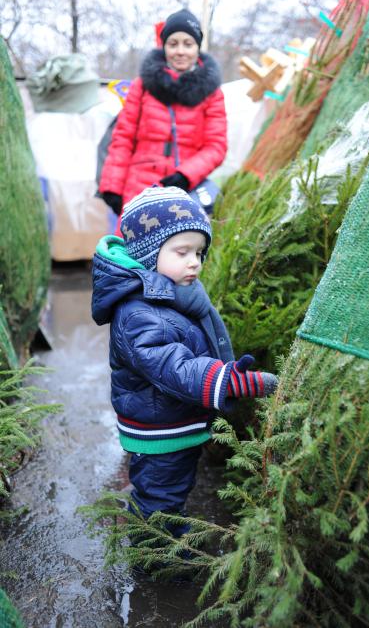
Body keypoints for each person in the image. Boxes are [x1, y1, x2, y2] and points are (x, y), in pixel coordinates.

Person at [91, 185, 278, 529]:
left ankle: (166, 532)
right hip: (158, 428)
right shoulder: (137, 311)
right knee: (159, 496)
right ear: (149, 255)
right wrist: (228, 379)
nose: (194, 261)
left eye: (199, 252)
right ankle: (159, 555)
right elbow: (172, 365)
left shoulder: (173, 294)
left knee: (172, 489)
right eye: (182, 251)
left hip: (174, 419)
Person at [98, 8, 227, 228]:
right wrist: (112, 187)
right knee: (130, 256)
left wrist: (186, 176)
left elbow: (216, 146)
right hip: (138, 188)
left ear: (198, 47)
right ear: (164, 45)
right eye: (173, 43)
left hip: (183, 192)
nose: (180, 51)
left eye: (188, 44)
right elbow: (123, 138)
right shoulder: (143, 86)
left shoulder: (212, 93)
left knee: (177, 256)